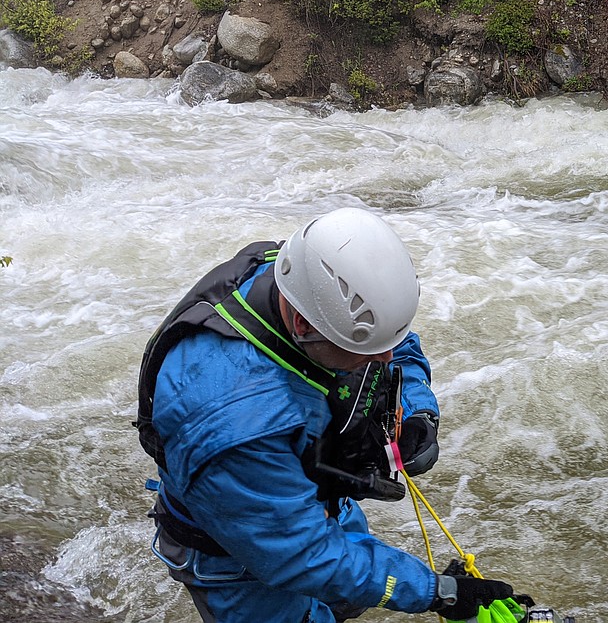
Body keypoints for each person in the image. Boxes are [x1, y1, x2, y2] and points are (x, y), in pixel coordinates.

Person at [134, 206, 515, 623]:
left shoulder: (307, 285)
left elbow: (393, 345)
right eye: (367, 350)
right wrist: (437, 593)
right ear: (302, 324)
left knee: (350, 595)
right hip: (241, 557)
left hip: (308, 491)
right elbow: (303, 555)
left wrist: (417, 411)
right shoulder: (234, 423)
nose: (385, 358)